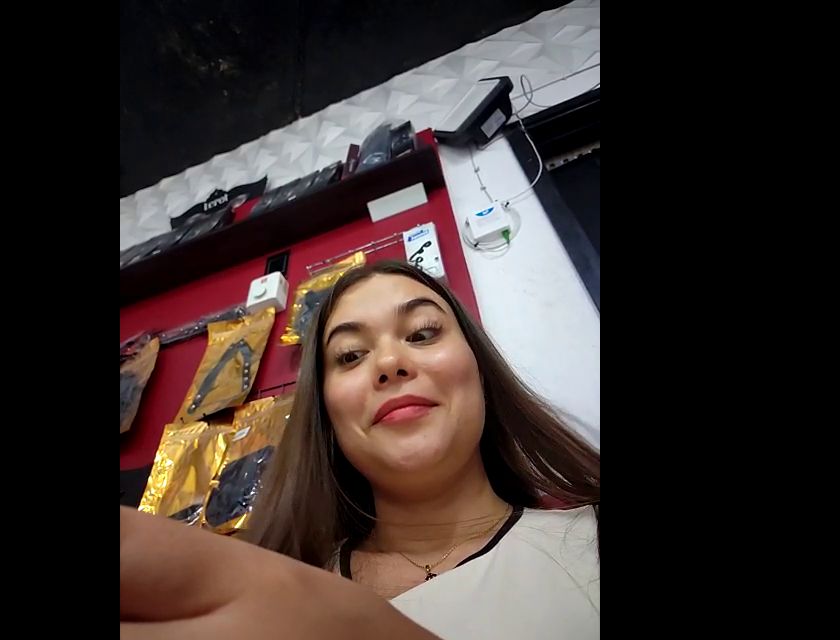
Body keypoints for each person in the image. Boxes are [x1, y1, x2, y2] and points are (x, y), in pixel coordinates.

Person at [120, 260, 599, 639]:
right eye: (350, 356)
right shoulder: (278, 608)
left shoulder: (587, 541)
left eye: (422, 333)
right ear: (327, 418)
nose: (390, 362)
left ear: (480, 371)